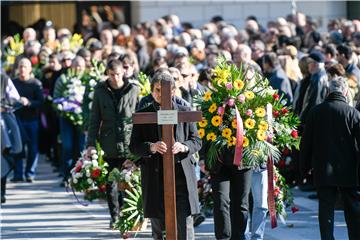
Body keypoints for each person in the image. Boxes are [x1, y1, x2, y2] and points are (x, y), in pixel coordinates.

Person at [129, 71, 202, 239]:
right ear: (151, 90)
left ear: (174, 90)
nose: (161, 95)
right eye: (157, 90)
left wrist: (183, 146)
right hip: (156, 177)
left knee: (185, 226)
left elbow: (196, 141)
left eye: (165, 90)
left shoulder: (185, 111)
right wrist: (151, 147)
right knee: (159, 228)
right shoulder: (144, 114)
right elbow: (134, 146)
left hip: (181, 175)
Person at [300, 77, 360, 240]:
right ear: (346, 92)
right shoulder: (353, 113)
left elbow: (306, 144)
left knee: (326, 210)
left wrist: (304, 170)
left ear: (327, 91)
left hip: (323, 169)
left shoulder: (315, 112)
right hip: (349, 170)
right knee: (353, 210)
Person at [86, 59, 140, 229]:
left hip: (129, 140)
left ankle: (129, 214)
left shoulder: (133, 90)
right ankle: (114, 216)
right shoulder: (100, 91)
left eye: (118, 74)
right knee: (111, 182)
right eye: (111, 74)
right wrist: (91, 143)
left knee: (129, 180)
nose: (115, 78)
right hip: (109, 141)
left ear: (123, 72)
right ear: (107, 74)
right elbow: (95, 118)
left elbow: (140, 117)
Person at [12, 58, 44, 183]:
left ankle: (30, 173)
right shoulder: (13, 83)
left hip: (32, 120)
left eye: (25, 66)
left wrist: (29, 102)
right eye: (20, 66)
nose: (22, 69)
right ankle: (17, 174)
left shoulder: (35, 84)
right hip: (17, 119)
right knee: (18, 147)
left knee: (33, 148)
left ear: (30, 69)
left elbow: (41, 102)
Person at [1, 73, 22, 203]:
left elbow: (16, 99)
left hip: (1, 125)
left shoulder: (3, 79)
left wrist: (4, 106)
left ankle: (1, 191)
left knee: (2, 158)